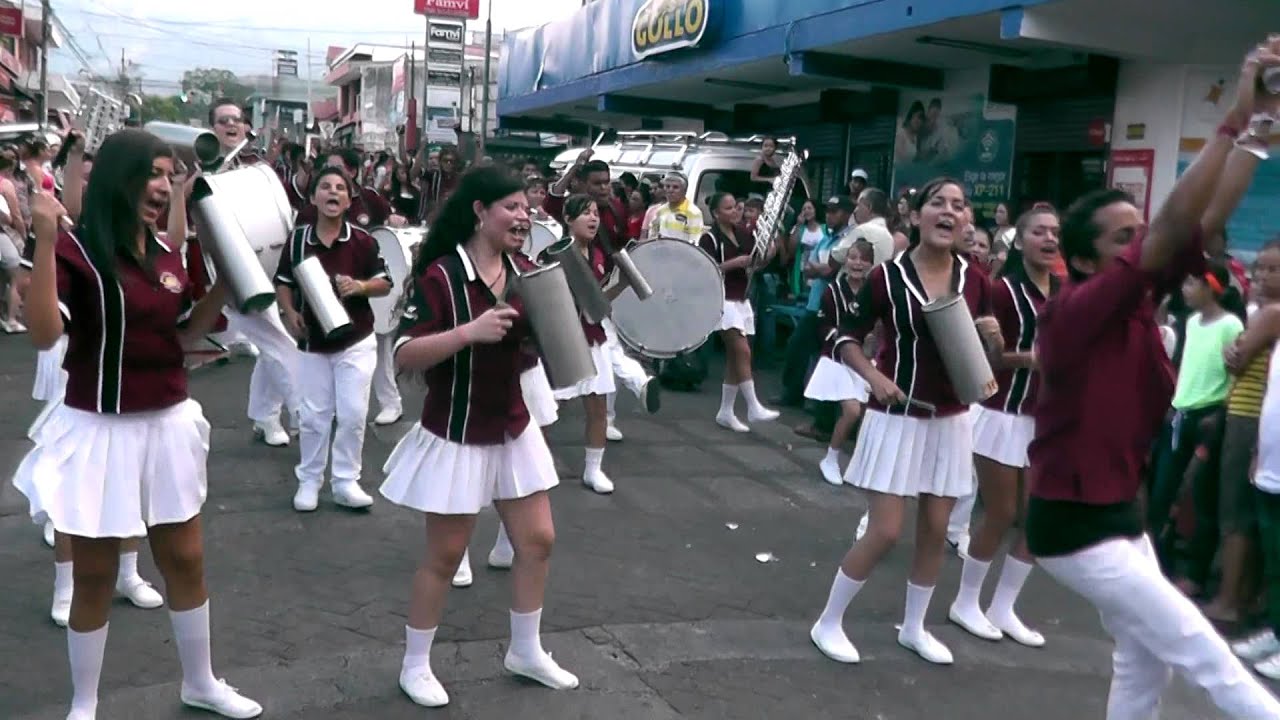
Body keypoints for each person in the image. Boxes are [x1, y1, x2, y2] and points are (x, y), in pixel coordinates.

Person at [1026, 41, 1280, 719]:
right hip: (1074, 528)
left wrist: (1260, 129)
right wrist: (1229, 118)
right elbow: (1172, 225)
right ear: (1082, 260)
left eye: (1137, 232)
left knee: (1142, 659)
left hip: (1122, 515)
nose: (1141, 241)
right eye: (1122, 237)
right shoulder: (1075, 313)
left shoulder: (1138, 303)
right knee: (1201, 648)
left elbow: (1203, 221)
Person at [14, 128, 262, 719]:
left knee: (185, 558)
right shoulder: (78, 251)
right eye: (152, 173)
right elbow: (47, 333)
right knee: (95, 571)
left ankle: (199, 682)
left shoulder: (167, 254)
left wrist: (230, 282)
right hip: (100, 426)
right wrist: (46, 240)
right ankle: (84, 704)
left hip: (168, 421)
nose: (162, 186)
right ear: (119, 179)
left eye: (168, 175)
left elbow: (181, 333)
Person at [379, 166, 578, 707]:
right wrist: (468, 332)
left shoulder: (528, 271)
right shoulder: (442, 276)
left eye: (525, 207)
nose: (523, 216)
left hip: (513, 427)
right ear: (479, 212)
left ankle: (526, 650)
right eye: (511, 207)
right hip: (457, 431)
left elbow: (560, 338)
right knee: (445, 556)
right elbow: (403, 355)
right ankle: (414, 664)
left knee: (538, 541)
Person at [810, 177, 1001, 667]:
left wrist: (992, 337)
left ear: (965, 222)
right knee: (887, 530)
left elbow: (986, 360)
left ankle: (914, 628)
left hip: (951, 419)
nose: (949, 211)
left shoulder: (977, 278)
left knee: (937, 528)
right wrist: (873, 376)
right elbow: (840, 335)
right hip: (896, 416)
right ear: (915, 217)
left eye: (959, 206)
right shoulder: (886, 277)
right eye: (937, 202)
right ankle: (828, 621)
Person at [948, 207, 1061, 649]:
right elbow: (985, 359)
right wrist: (1030, 360)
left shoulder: (1067, 292)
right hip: (1000, 414)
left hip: (1044, 418)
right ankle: (966, 602)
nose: (1048, 239)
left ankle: (1003, 606)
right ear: (1020, 241)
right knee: (1001, 513)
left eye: (1055, 232)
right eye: (1039, 232)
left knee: (1036, 520)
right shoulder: (1001, 291)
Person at [275, 167, 392, 512]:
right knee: (313, 416)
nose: (333, 192)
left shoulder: (362, 241)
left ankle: (346, 481)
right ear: (313, 198)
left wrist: (360, 286)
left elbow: (385, 282)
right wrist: (288, 311)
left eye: (340, 188)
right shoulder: (298, 240)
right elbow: (282, 281)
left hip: (355, 338)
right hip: (313, 341)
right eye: (325, 187)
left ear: (348, 199)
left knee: (354, 414)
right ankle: (309, 480)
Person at [701, 191, 779, 431]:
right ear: (715, 213)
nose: (735, 211)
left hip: (741, 299)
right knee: (742, 350)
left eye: (736, 206)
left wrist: (770, 249)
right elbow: (703, 268)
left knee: (736, 358)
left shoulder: (744, 234)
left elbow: (757, 262)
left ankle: (726, 411)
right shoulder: (709, 238)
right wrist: (734, 264)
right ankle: (753, 405)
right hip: (721, 300)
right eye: (728, 208)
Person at [804, 239, 873, 484]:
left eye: (864, 259)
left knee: (871, 416)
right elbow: (822, 326)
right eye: (853, 257)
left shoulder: (872, 292)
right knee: (852, 410)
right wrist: (845, 342)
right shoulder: (832, 291)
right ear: (846, 260)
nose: (858, 263)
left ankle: (859, 465)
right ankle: (831, 459)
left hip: (865, 362)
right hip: (836, 358)